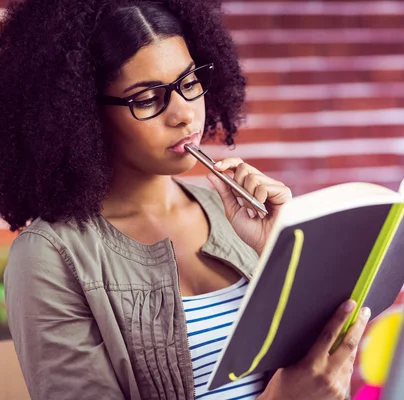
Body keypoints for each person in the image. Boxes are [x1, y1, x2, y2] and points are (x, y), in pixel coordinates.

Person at [0, 1, 370, 399]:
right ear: (79, 113)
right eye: (146, 98)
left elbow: (322, 374)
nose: (184, 115)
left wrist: (279, 249)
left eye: (189, 82)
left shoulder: (231, 213)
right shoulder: (50, 256)